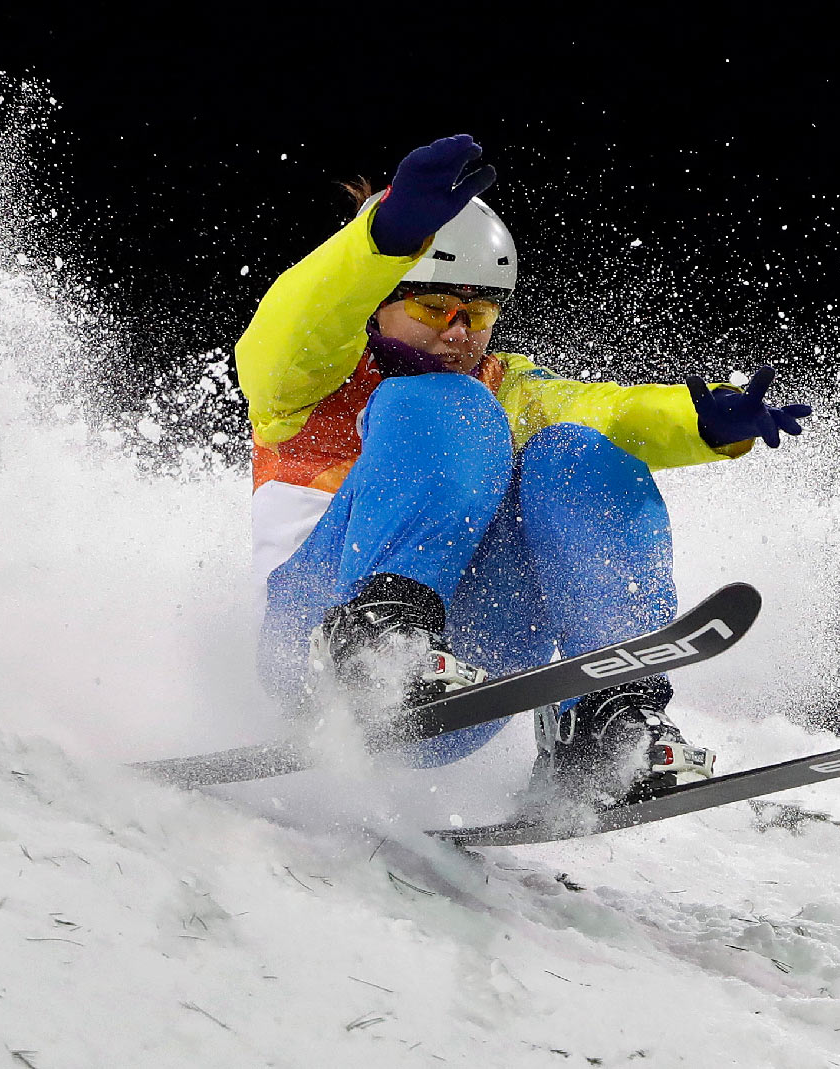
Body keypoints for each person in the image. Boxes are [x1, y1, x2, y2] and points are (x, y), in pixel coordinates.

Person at [235, 134, 811, 806]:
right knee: (451, 406)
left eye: (477, 313)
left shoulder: (504, 385)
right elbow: (287, 328)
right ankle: (378, 635)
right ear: (375, 302)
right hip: (316, 650)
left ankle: (610, 721)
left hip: (452, 685)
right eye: (433, 307)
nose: (459, 332)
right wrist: (383, 238)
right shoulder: (309, 386)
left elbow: (611, 412)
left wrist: (702, 421)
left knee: (578, 451)